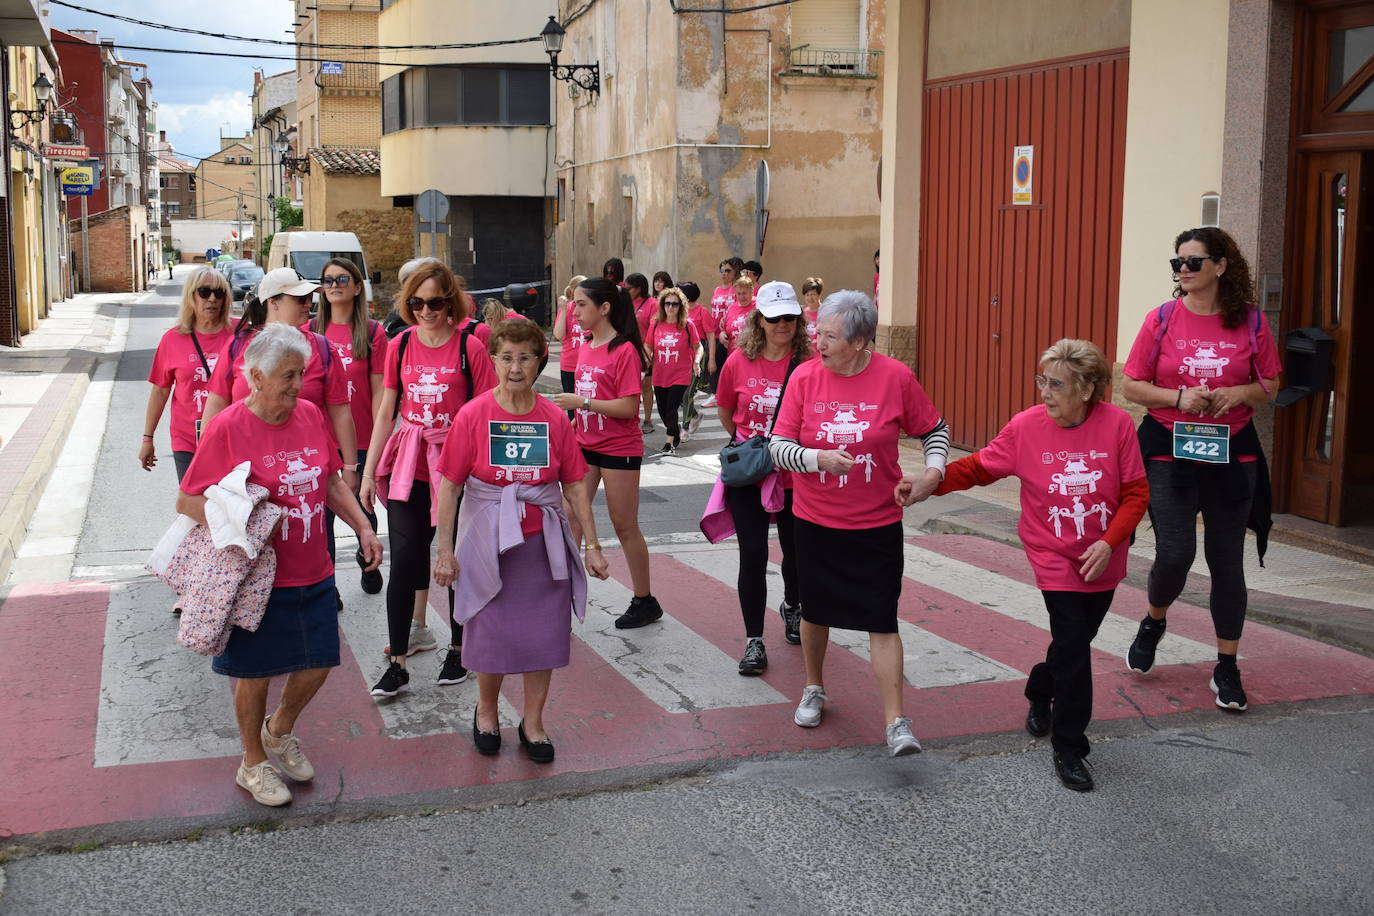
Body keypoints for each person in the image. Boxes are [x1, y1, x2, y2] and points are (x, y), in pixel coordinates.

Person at [911, 339, 1148, 791]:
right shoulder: (1026, 428)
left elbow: (1136, 493)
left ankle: (1040, 688)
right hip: (1053, 553)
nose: (1045, 391)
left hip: (1103, 555)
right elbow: (979, 467)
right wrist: (931, 481)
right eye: (1043, 380)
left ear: (1088, 389)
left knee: (1071, 644)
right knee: (1076, 646)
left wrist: (1110, 541)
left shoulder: (1117, 425)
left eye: (1057, 383)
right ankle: (1070, 746)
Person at [177, 322, 385, 806]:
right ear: (255, 377)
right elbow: (187, 500)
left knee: (320, 662)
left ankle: (280, 729)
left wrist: (364, 527)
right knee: (253, 674)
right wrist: (243, 520)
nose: (298, 385)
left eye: (301, 374)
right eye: (289, 376)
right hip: (256, 579)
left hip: (313, 567)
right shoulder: (228, 427)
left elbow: (331, 482)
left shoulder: (311, 415)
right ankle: (252, 763)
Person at [769, 290, 950, 756]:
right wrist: (817, 459)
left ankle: (897, 723)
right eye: (819, 332)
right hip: (815, 521)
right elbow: (777, 446)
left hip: (877, 523)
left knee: (881, 618)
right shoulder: (805, 378)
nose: (819, 343)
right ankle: (814, 686)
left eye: (830, 336)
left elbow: (934, 429)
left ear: (860, 341)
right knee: (814, 611)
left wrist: (933, 472)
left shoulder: (895, 377)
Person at [431, 319, 609, 761]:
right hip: (488, 545)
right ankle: (487, 711)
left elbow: (575, 486)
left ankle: (533, 722)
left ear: (538, 361)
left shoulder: (553, 418)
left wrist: (593, 545)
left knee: (543, 636)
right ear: (492, 361)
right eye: (506, 357)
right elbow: (450, 486)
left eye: (525, 357)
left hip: (541, 545)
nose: (515, 367)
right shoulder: (472, 415)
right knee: (489, 633)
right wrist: (445, 550)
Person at [1120, 227, 1281, 712]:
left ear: (1221, 265)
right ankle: (1154, 619)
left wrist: (1241, 393)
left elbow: (1270, 382)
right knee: (1174, 553)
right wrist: (1177, 397)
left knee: (1226, 561)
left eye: (1193, 262)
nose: (1184, 271)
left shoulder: (1250, 322)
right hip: (1171, 446)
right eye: (1178, 263)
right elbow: (1131, 384)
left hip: (1232, 449)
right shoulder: (1163, 319)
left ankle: (1227, 666)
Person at [360, 261, 498, 698]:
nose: (426, 311)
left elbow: (487, 410)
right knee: (404, 558)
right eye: (417, 303)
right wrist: (367, 471)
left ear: (449, 302)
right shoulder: (399, 346)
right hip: (410, 465)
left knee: (453, 559)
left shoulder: (469, 349)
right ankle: (398, 662)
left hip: (457, 470)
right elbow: (386, 411)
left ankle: (459, 648)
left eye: (435, 302)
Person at [202, 270, 359, 582]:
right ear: (272, 301)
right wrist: (207, 462)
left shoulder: (322, 349)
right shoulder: (240, 347)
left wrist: (351, 467)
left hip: (305, 468)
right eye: (299, 298)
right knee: (253, 552)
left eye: (310, 297)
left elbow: (340, 411)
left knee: (315, 532)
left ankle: (320, 590)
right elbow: (217, 403)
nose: (309, 303)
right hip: (246, 476)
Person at [551, 278, 663, 628]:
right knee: (571, 517)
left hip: (619, 448)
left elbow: (629, 407)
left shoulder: (624, 349)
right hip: (584, 445)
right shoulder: (585, 343)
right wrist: (572, 423)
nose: (576, 311)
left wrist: (582, 402)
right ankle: (563, 603)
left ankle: (645, 600)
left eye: (582, 304)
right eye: (574, 304)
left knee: (623, 524)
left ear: (604, 308)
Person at [716, 281, 810, 674]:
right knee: (752, 555)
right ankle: (754, 640)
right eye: (774, 318)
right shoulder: (739, 360)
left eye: (790, 316)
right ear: (760, 320)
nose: (782, 324)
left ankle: (792, 605)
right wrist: (752, 449)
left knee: (797, 554)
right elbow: (725, 410)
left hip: (795, 474)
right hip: (751, 474)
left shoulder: (808, 363)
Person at [312, 257, 387, 595]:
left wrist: (373, 449)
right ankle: (330, 589)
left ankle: (367, 559)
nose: (335, 285)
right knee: (322, 518)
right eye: (328, 280)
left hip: (360, 438)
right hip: (319, 440)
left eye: (343, 279)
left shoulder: (372, 332)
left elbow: (378, 393)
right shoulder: (310, 331)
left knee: (361, 510)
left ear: (357, 287)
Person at [141, 266, 233, 483]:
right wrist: (148, 438)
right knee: (193, 508)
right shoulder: (172, 340)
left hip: (232, 440)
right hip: (188, 441)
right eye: (204, 292)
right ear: (191, 296)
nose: (212, 299)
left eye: (218, 293)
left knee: (232, 511)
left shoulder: (239, 335)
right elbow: (160, 391)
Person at [648, 286, 701, 454]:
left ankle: (669, 443)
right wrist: (647, 356)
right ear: (662, 305)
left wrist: (697, 362)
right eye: (667, 303)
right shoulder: (656, 324)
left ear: (681, 306)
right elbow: (647, 345)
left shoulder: (687, 325)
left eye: (675, 304)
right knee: (663, 412)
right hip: (659, 374)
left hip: (680, 374)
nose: (671, 307)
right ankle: (675, 429)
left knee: (671, 409)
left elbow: (698, 347)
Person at [703, 258, 743, 406]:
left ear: (735, 272)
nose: (724, 273)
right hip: (714, 330)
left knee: (724, 362)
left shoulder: (736, 290)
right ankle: (715, 392)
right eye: (722, 270)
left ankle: (721, 393)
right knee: (713, 360)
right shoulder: (717, 289)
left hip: (728, 331)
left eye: (728, 271)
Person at [554, 274, 589, 421]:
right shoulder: (567, 308)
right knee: (572, 409)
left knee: (587, 405)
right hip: (569, 364)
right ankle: (574, 439)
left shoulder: (590, 307)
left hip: (588, 364)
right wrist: (562, 310)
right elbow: (558, 335)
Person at [627, 272, 657, 431]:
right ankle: (632, 418)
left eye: (629, 288)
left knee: (646, 385)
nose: (627, 291)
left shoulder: (652, 304)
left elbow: (654, 328)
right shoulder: (626, 302)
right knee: (630, 387)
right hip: (628, 350)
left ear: (638, 288)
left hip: (646, 351)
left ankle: (647, 420)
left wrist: (649, 352)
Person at [720, 275, 757, 352]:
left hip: (754, 353)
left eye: (744, 293)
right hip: (734, 355)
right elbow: (725, 330)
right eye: (738, 293)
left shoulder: (758, 306)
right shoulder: (731, 308)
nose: (741, 297)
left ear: (751, 292)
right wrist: (722, 335)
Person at [800, 277, 824, 349]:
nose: (810, 298)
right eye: (807, 295)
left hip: (822, 355)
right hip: (807, 356)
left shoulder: (826, 312)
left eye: (813, 294)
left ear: (819, 295)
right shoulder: (803, 314)